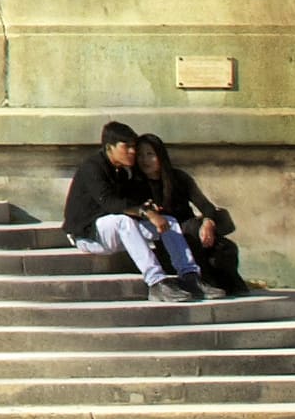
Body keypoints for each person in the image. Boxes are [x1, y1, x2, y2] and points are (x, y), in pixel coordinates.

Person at [59, 116, 200, 296]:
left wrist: (149, 209)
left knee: (168, 222)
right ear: (110, 147)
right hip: (88, 236)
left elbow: (131, 201)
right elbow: (110, 203)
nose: (133, 152)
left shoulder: (123, 171)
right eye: (127, 147)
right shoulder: (92, 168)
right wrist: (145, 212)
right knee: (123, 221)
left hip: (116, 233)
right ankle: (156, 282)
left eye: (134, 146)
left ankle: (190, 276)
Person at [131, 131, 242, 294]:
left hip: (196, 235)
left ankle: (228, 284)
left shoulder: (178, 178)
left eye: (150, 154)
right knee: (189, 231)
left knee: (222, 248)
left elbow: (206, 206)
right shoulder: (135, 184)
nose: (145, 160)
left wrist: (208, 222)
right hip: (169, 242)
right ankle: (199, 281)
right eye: (140, 155)